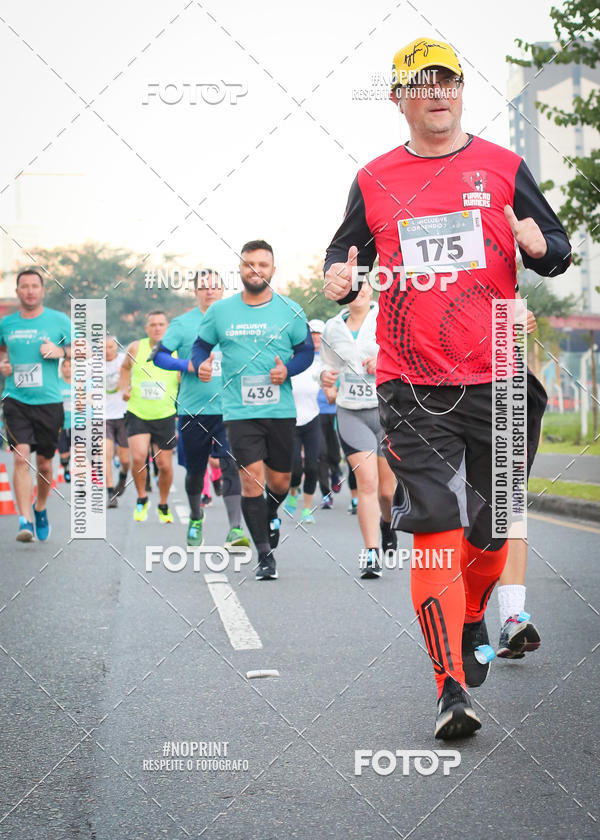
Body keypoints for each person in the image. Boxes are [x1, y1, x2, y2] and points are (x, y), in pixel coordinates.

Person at [324, 37, 571, 739]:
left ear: (462, 91)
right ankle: (451, 689)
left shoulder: (503, 166)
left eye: (450, 81)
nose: (438, 92)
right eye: (422, 83)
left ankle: (471, 618)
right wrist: (337, 278)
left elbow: (556, 250)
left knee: (493, 532)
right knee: (436, 528)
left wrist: (537, 246)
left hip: (497, 374)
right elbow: (343, 255)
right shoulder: (373, 179)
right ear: (400, 97)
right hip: (413, 384)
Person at [191, 240, 314, 580]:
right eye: (249, 264)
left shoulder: (290, 309)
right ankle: (264, 554)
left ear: (272, 270)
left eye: (262, 264)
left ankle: (271, 514)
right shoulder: (221, 312)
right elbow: (201, 346)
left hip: (280, 409)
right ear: (240, 270)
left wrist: (287, 370)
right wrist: (200, 364)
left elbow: (305, 351)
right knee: (250, 480)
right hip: (238, 410)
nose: (255, 269)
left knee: (281, 480)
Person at [152, 270, 250, 549]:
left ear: (222, 290)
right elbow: (158, 356)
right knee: (195, 471)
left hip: (230, 408)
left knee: (231, 465)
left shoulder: (236, 321)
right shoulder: (183, 324)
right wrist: (189, 366)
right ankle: (196, 517)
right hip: (193, 410)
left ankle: (235, 528)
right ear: (196, 292)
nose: (210, 292)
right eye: (204, 288)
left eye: (215, 287)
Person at [320, 282, 396, 578]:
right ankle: (371, 554)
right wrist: (326, 379)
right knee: (367, 482)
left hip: (386, 412)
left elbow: (408, 355)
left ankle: (388, 525)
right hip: (350, 411)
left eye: (364, 286)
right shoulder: (331, 328)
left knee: (387, 492)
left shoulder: (387, 316)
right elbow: (326, 368)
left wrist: (384, 363)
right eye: (352, 287)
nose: (359, 291)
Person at [0, 268, 71, 542]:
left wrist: (60, 351)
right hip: (16, 400)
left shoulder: (59, 320)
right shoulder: (7, 324)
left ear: (42, 291)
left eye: (34, 286)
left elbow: (85, 348)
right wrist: (3, 364)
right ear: (17, 291)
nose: (29, 290)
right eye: (24, 286)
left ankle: (39, 508)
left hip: (49, 403)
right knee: (20, 456)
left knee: (43, 464)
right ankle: (24, 521)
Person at [496, 303, 546, 658]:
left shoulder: (498, 258)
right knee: (464, 518)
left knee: (510, 507)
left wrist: (518, 322)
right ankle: (468, 621)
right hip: (446, 397)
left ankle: (512, 618)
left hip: (506, 390)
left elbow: (553, 252)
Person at [119, 311, 178, 523]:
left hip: (165, 414)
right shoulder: (136, 347)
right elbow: (124, 368)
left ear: (167, 327)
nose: (157, 328)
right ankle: (142, 498)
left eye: (161, 324)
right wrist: (124, 388)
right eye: (152, 324)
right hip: (138, 412)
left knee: (164, 465)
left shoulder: (176, 349)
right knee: (138, 457)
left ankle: (163, 504)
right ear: (146, 329)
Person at [284, 322, 322, 524]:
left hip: (312, 419)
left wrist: (331, 388)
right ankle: (292, 492)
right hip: (291, 421)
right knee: (296, 468)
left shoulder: (315, 364)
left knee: (313, 466)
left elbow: (327, 381)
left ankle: (307, 509)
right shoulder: (285, 364)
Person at [309, 319, 343, 510]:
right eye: (312, 334)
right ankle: (325, 493)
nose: (315, 338)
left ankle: (336, 470)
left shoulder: (330, 356)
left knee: (334, 450)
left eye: (319, 334)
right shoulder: (303, 356)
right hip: (314, 411)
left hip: (335, 408)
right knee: (320, 453)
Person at [105, 335, 130, 508]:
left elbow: (137, 379)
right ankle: (110, 494)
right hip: (102, 416)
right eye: (103, 348)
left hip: (123, 413)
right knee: (104, 455)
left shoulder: (124, 361)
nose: (107, 351)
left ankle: (122, 476)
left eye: (110, 347)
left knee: (125, 459)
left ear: (116, 347)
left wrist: (130, 390)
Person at [58, 357, 72, 482]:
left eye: (70, 366)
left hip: (77, 423)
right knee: (64, 454)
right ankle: (66, 468)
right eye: (65, 366)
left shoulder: (79, 384)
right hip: (61, 424)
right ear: (62, 369)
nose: (67, 369)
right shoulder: (57, 383)